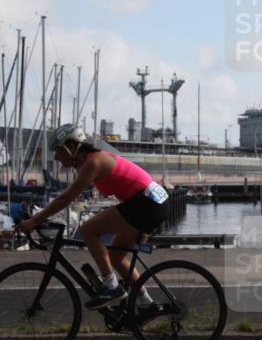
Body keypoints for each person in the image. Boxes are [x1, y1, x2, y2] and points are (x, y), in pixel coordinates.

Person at [15, 124, 170, 310]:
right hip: (153, 202)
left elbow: (66, 198)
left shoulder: (93, 163)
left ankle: (112, 287)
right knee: (116, 257)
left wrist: (34, 221)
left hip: (146, 203)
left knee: (88, 229)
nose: (55, 157)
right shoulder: (91, 161)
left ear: (71, 147)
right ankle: (145, 303)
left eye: (57, 150)